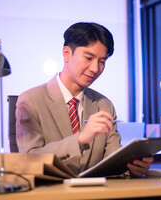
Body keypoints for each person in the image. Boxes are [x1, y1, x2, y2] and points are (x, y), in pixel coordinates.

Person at [16, 22, 153, 176]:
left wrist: (130, 167)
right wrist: (80, 139)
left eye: (102, 62)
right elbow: (29, 160)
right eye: (88, 58)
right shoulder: (30, 101)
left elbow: (112, 159)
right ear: (67, 53)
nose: (95, 68)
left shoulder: (104, 105)